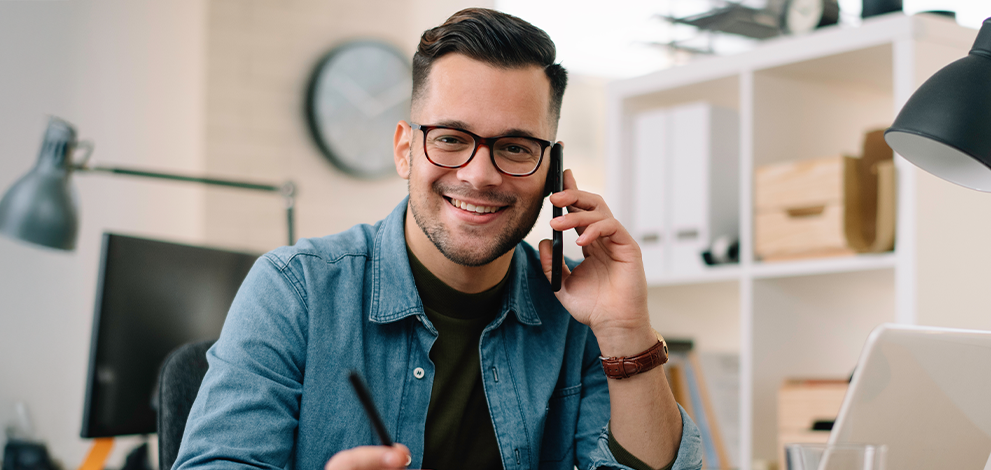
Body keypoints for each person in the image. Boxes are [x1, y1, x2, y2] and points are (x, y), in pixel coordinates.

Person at [171, 8, 701, 470]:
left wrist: (627, 329)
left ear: (552, 168)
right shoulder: (295, 290)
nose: (479, 175)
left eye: (515, 147)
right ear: (405, 150)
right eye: (450, 139)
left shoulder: (578, 314)